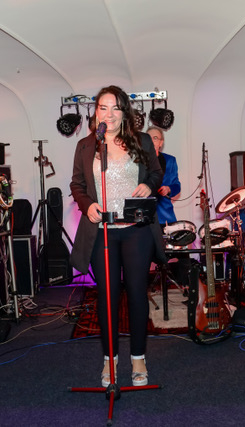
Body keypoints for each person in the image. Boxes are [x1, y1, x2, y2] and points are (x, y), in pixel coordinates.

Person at [69, 85, 166, 387]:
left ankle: (138, 357)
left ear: (124, 111)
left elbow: (156, 173)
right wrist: (87, 205)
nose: (108, 114)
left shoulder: (142, 140)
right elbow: (76, 184)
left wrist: (149, 185)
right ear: (96, 111)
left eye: (115, 108)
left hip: (136, 230)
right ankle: (109, 359)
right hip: (102, 233)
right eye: (103, 107)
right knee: (107, 297)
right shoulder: (86, 145)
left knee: (137, 294)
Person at [146, 126, 181, 226]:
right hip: (144, 217)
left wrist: (168, 189)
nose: (151, 140)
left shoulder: (170, 160)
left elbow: (177, 186)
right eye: (148, 137)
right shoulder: (136, 161)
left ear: (161, 143)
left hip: (164, 216)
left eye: (155, 138)